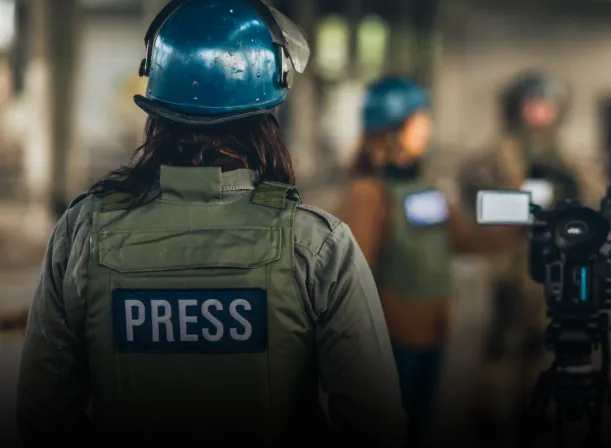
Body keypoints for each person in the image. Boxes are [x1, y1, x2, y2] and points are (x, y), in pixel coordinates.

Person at [16, 1, 406, 447]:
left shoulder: (82, 232)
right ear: (268, 114)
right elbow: (375, 425)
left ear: (156, 108)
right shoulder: (317, 245)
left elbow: (42, 414)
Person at [337, 76, 519, 447]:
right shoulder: (368, 192)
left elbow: (460, 238)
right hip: (391, 341)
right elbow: (353, 275)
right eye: (421, 119)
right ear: (394, 127)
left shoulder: (426, 186)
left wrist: (518, 227)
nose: (429, 128)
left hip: (431, 333)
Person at [456, 72, 604, 437]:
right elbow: (474, 193)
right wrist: (513, 208)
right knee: (503, 344)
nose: (540, 112)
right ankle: (493, 417)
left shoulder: (565, 155)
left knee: (547, 345)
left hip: (555, 266)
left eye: (547, 105)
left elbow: (592, 199)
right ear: (518, 108)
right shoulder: (500, 151)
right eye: (533, 104)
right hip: (511, 262)